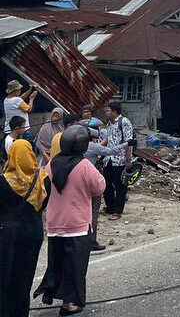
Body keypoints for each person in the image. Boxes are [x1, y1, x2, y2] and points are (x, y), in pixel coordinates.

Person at [35, 125, 106, 315]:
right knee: (76, 267)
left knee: (58, 263)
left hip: (54, 224)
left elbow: (44, 187)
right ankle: (70, 303)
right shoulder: (84, 165)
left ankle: (53, 294)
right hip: (77, 226)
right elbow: (99, 187)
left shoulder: (51, 164)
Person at [0, 140, 50, 316]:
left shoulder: (4, 181)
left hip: (8, 235)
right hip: (33, 233)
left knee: (5, 277)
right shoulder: (43, 178)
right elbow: (43, 204)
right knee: (25, 276)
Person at [82, 127, 122, 252]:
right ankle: (91, 241)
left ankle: (81, 239)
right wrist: (126, 144)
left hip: (78, 183)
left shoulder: (74, 147)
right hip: (91, 182)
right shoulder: (93, 147)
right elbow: (112, 151)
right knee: (93, 212)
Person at [103, 101, 134, 221]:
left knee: (120, 186)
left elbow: (129, 142)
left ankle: (117, 211)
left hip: (120, 160)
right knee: (106, 184)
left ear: (114, 112)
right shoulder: (109, 123)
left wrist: (128, 159)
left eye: (107, 111)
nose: (106, 113)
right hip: (108, 159)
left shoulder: (124, 122)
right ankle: (109, 207)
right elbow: (108, 139)